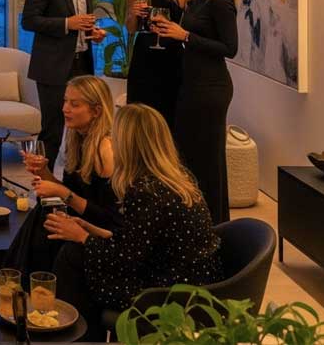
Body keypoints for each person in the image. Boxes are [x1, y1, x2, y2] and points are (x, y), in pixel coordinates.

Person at [44, 104, 222, 341]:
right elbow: (138, 241)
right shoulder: (177, 178)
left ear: (127, 144)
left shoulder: (147, 192)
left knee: (73, 258)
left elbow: (126, 259)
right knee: (77, 253)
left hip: (168, 291)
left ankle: (71, 334)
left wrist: (82, 237)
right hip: (195, 278)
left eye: (115, 137)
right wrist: (90, 229)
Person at [153, 0, 239, 224]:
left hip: (210, 88)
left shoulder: (222, 1)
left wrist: (186, 36)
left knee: (207, 160)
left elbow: (229, 48)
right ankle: (192, 219)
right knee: (187, 156)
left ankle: (213, 224)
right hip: (191, 84)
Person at [3, 75, 121, 276]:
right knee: (44, 210)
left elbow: (107, 217)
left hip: (99, 229)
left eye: (74, 104)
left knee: (45, 215)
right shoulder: (77, 139)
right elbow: (69, 193)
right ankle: (16, 280)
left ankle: (17, 280)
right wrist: (43, 172)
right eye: (65, 101)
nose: (65, 108)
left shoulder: (105, 149)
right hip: (79, 216)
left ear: (96, 111)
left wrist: (62, 193)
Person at [22, 0, 107, 171]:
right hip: (53, 66)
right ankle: (42, 185)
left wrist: (94, 33)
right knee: (54, 127)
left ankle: (77, 181)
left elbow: (83, 23)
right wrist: (67, 24)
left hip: (82, 62)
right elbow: (29, 20)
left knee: (85, 126)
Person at [125, 0, 196, 129]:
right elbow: (131, 29)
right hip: (144, 55)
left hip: (172, 57)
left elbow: (193, 29)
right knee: (139, 116)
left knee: (169, 117)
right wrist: (133, 13)